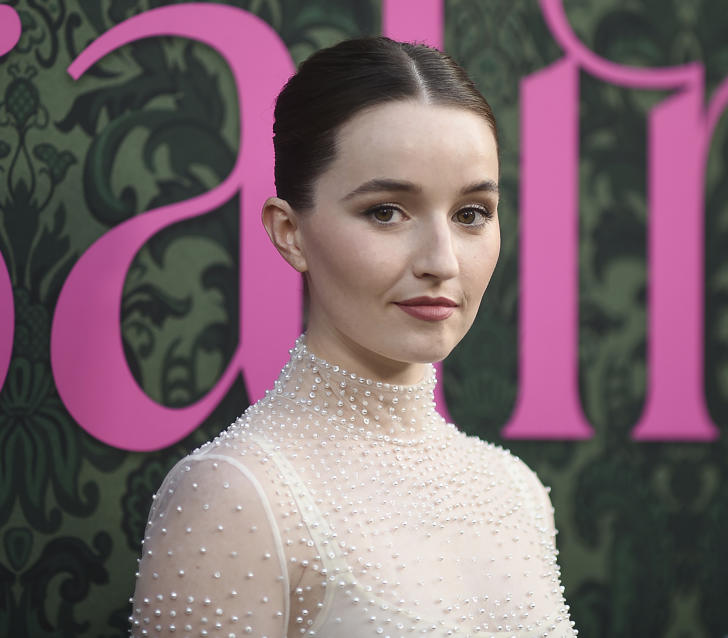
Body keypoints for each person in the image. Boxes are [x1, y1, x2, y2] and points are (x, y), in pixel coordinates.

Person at [129, 37, 577, 637]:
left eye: (471, 213)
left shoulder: (517, 494)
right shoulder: (235, 495)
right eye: (387, 211)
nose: (441, 261)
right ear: (289, 231)